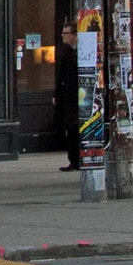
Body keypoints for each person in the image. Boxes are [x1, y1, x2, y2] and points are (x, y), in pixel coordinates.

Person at [56, 23, 80, 171]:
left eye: (66, 33)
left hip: (76, 96)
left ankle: (78, 160)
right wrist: (57, 94)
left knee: (75, 128)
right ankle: (74, 160)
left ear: (74, 35)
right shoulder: (67, 52)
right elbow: (61, 76)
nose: (62, 36)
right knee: (70, 129)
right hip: (68, 97)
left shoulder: (79, 53)